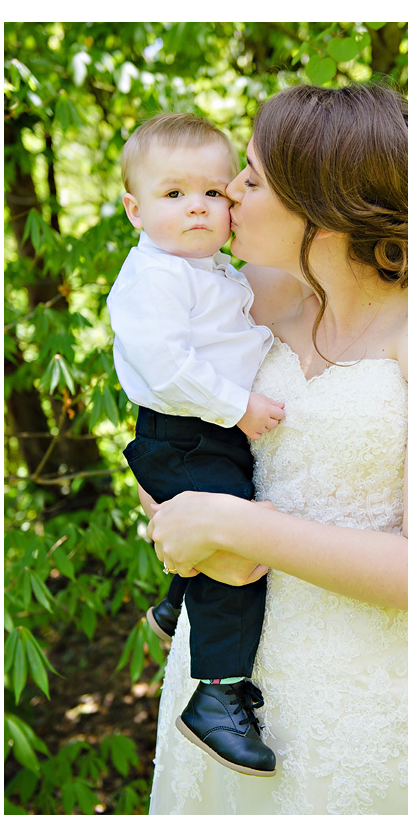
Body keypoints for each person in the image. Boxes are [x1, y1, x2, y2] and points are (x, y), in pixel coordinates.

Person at [142, 83, 408, 815]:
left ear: (321, 208)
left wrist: (238, 527)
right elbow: (169, 424)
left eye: (254, 179)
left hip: (355, 702)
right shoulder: (249, 295)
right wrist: (173, 515)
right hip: (214, 675)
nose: (229, 191)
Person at [107, 113, 287, 777]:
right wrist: (239, 406)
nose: (198, 208)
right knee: (238, 547)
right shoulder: (155, 276)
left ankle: (174, 602)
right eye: (175, 194)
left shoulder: (210, 270)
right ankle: (215, 697)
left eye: (214, 193)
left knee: (222, 536)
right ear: (134, 208)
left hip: (204, 435)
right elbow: (166, 368)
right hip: (187, 434)